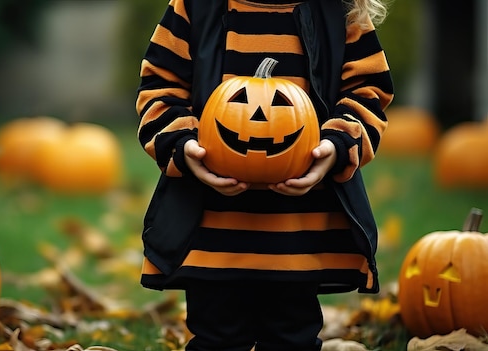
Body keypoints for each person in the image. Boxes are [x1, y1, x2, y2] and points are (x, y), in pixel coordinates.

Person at [136, 0, 394, 350]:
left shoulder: (339, 12)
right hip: (213, 232)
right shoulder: (196, 7)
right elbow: (160, 88)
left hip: (298, 234)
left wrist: (335, 147)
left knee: (292, 337)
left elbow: (368, 93)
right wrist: (182, 145)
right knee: (216, 337)